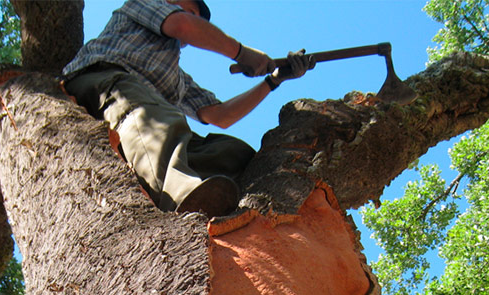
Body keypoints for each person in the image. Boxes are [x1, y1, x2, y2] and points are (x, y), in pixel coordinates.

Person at [62, 0, 315, 218]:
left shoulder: (176, 78)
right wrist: (240, 52)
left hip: (150, 110)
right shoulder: (140, 6)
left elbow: (220, 115)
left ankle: (239, 200)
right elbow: (182, 25)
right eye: (190, 10)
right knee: (157, 119)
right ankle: (180, 193)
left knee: (233, 152)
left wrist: (274, 80)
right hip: (101, 83)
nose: (193, 19)